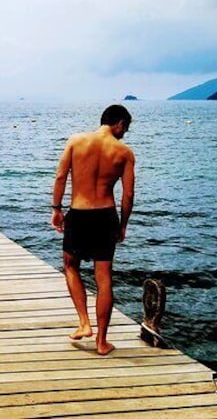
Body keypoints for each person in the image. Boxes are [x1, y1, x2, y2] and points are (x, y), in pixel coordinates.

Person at [51, 104, 135, 355]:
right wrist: (122, 225)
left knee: (70, 266)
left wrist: (57, 209)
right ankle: (102, 342)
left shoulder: (76, 141)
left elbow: (60, 177)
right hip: (105, 216)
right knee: (104, 277)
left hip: (79, 214)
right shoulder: (124, 152)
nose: (124, 133)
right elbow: (128, 195)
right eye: (125, 129)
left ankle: (84, 322)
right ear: (119, 123)